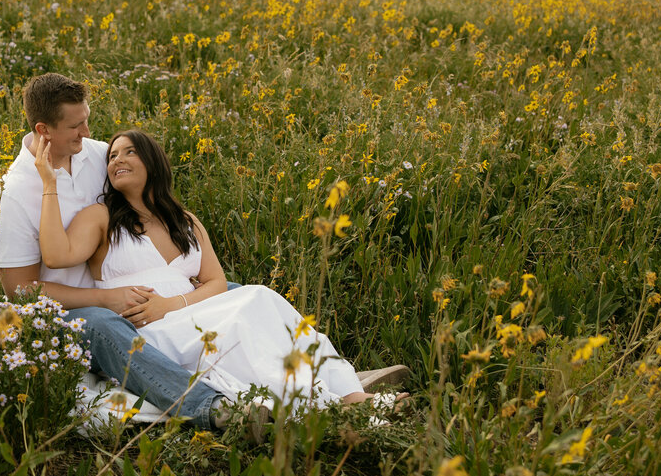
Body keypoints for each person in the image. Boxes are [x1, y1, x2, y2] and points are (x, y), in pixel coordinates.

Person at [34, 128, 403, 410]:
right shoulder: (102, 217)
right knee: (247, 310)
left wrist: (173, 303)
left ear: (153, 162)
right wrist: (49, 182)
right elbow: (55, 254)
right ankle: (320, 400)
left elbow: (216, 282)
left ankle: (348, 390)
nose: (117, 160)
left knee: (259, 299)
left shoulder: (186, 222)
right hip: (150, 329)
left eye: (130, 152)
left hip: (184, 313)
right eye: (112, 155)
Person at [0, 74, 237, 432]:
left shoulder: (97, 155)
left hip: (131, 288)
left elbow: (142, 199)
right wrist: (104, 299)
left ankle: (305, 376)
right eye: (76, 126)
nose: (86, 132)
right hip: (68, 315)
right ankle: (210, 408)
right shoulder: (9, 196)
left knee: (233, 292)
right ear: (44, 130)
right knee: (104, 327)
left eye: (87, 119)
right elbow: (22, 292)